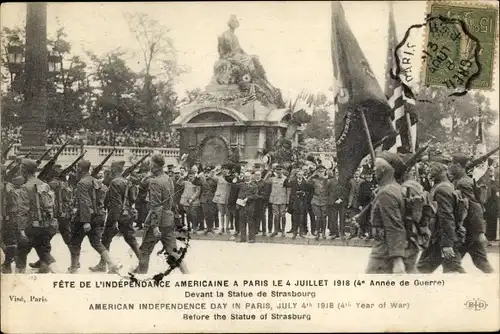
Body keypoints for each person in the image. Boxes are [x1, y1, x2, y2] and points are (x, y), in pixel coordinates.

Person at [135, 154, 188, 274]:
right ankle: (188, 275)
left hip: (158, 221)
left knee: (144, 252)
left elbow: (156, 206)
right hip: (168, 220)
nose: (149, 166)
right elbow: (172, 200)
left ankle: (141, 280)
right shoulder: (168, 179)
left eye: (151, 164)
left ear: (154, 165)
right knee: (173, 253)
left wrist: (154, 226)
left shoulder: (155, 182)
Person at [69, 159, 121, 274]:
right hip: (98, 216)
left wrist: (86, 221)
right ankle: (111, 264)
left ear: (79, 169)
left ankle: (73, 268)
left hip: (84, 218)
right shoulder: (97, 182)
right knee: (96, 242)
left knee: (75, 242)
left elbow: (85, 202)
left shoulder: (82, 183)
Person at [417, 158, 466, 273]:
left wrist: (447, 244)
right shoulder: (442, 186)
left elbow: (447, 217)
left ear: (441, 168)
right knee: (422, 270)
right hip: (438, 239)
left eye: (432, 165)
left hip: (442, 239)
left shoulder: (442, 189)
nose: (429, 168)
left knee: (452, 271)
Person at [448, 153, 493, 273]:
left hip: (466, 230)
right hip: (469, 230)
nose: (449, 166)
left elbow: (475, 208)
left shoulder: (462, 183)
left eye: (451, 164)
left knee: (451, 264)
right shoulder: (461, 180)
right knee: (481, 262)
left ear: (457, 165)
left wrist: (480, 232)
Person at [92, 161, 141, 272]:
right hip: (127, 213)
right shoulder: (128, 182)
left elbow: (115, 203)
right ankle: (143, 263)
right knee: (131, 239)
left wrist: (113, 220)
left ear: (113, 170)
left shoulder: (114, 182)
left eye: (110, 169)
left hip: (116, 214)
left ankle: (102, 264)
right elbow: (133, 199)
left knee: (105, 239)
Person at [366, 152, 408, 274]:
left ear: (383, 169)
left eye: (375, 167)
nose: (373, 170)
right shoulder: (395, 187)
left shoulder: (386, 192)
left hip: (383, 251)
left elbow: (394, 226)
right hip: (387, 247)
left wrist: (397, 260)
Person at [16, 159, 58, 273]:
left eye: (20, 168)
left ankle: (18, 280)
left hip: (31, 226)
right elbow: (51, 205)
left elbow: (23, 210)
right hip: (45, 224)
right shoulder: (45, 185)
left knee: (20, 252)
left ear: (24, 171)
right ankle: (58, 273)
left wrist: (21, 229)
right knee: (44, 253)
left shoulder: (25, 187)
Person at [193, 166, 218, 235]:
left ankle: (211, 228)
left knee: (212, 214)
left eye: (208, 172)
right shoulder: (201, 179)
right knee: (206, 214)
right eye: (205, 172)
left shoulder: (213, 179)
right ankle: (208, 228)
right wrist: (197, 176)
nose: (207, 174)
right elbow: (194, 183)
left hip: (212, 198)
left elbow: (217, 186)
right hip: (204, 199)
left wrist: (212, 177)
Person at [284, 169, 308, 239]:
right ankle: (294, 232)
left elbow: (308, 191)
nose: (300, 176)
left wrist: (303, 193)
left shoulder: (305, 182)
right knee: (294, 218)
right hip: (294, 202)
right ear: (296, 175)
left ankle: (301, 232)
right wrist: (287, 177)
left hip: (302, 202)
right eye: (299, 174)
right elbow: (286, 184)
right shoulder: (293, 181)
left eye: (301, 175)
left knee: (301, 218)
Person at [236, 171, 259, 243]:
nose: (246, 178)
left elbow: (256, 195)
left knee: (250, 223)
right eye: (245, 177)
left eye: (248, 177)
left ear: (251, 177)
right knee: (242, 222)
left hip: (250, 206)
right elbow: (235, 186)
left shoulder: (254, 185)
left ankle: (251, 238)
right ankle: (243, 238)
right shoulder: (241, 184)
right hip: (242, 206)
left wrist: (248, 198)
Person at [308, 165, 329, 240]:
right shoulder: (314, 180)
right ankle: (317, 232)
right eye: (319, 171)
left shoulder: (327, 180)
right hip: (316, 199)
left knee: (324, 217)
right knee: (318, 217)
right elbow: (307, 183)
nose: (321, 173)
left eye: (322, 171)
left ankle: (323, 232)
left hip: (324, 199)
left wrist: (327, 175)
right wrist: (313, 174)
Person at [268, 165, 288, 237]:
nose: (279, 171)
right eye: (277, 169)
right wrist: (268, 173)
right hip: (275, 199)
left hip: (282, 199)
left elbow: (288, 190)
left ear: (283, 170)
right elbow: (265, 182)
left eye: (280, 169)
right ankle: (275, 230)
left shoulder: (286, 179)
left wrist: (287, 200)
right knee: (276, 216)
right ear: (275, 170)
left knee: (283, 215)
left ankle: (283, 231)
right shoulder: (272, 179)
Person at [327, 169, 345, 240]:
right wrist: (331, 200)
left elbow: (346, 190)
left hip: (342, 202)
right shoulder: (331, 181)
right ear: (335, 173)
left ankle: (342, 232)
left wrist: (341, 199)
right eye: (337, 172)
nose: (338, 174)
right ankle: (335, 232)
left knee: (342, 217)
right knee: (333, 218)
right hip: (333, 202)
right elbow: (328, 191)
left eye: (339, 172)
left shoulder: (344, 180)